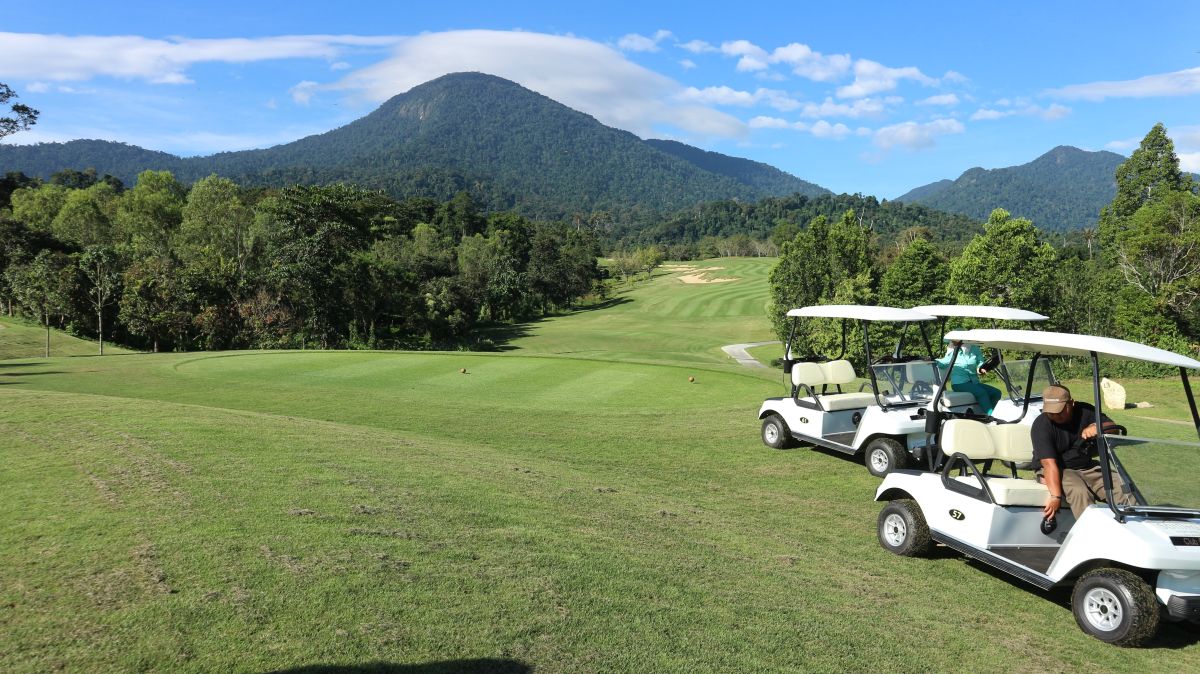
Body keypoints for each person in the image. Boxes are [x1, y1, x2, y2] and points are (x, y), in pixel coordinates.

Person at [1032, 384, 1135, 520]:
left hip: (1086, 465)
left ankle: (1138, 528)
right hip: (1058, 469)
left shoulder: (1085, 411)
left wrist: (1099, 427)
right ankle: (1091, 535)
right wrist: (1055, 497)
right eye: (1051, 412)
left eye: (1059, 411)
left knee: (1123, 487)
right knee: (1079, 491)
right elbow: (1049, 464)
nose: (1055, 416)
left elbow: (1113, 428)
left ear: (1071, 403)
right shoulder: (1041, 425)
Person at [935, 341, 1002, 415]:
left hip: (974, 382)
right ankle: (991, 415)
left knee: (997, 393)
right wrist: (932, 360)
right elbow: (942, 364)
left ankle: (986, 413)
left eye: (955, 341)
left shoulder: (974, 349)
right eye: (953, 341)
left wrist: (980, 369)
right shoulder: (953, 351)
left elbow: (980, 362)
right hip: (959, 383)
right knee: (981, 392)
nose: (953, 342)